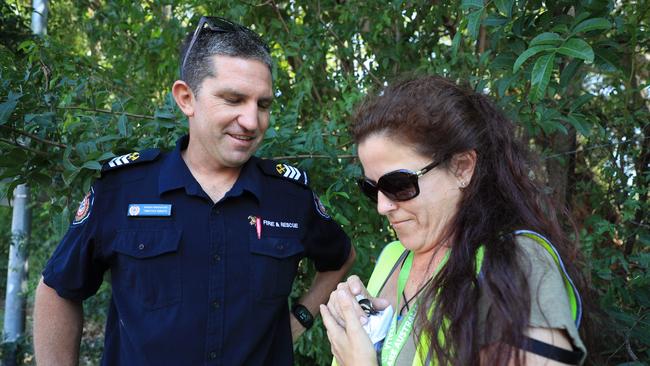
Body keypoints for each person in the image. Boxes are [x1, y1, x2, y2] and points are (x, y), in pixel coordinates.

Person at [33, 16, 355, 366]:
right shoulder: (123, 190)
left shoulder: (289, 196)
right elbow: (58, 289)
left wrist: (298, 321)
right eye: (233, 100)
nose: (252, 121)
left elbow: (340, 258)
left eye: (263, 105)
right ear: (186, 98)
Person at [320, 75, 589, 366]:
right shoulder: (392, 257)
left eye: (399, 184)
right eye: (372, 188)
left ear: (462, 168)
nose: (383, 206)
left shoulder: (517, 262)